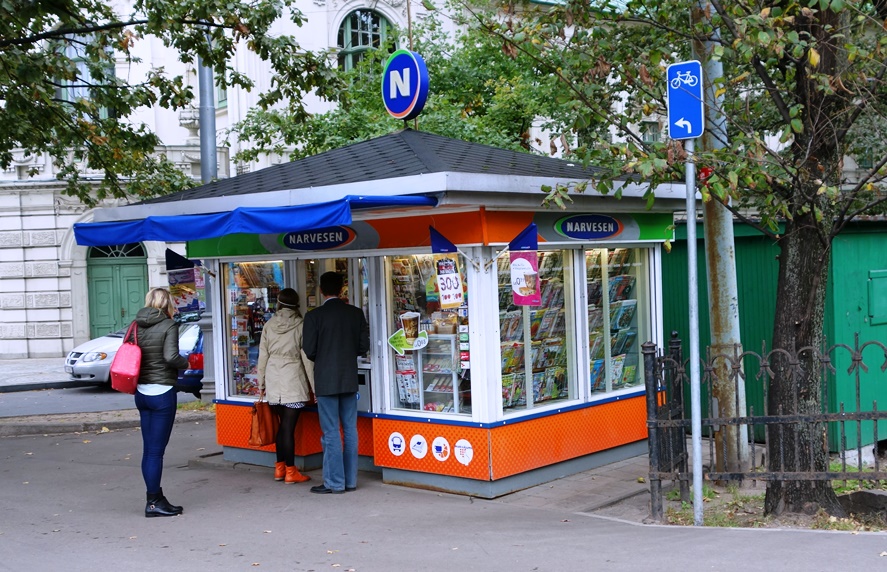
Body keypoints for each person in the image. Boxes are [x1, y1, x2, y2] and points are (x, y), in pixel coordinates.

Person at [302, 272, 370, 494]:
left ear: (321, 290)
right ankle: (350, 481)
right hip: (349, 378)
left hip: (326, 379)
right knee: (350, 430)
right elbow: (363, 346)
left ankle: (334, 483)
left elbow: (309, 350)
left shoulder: (314, 316)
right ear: (342, 289)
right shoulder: (355, 313)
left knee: (331, 432)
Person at [134, 287, 191, 517]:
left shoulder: (135, 325)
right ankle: (154, 502)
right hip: (162, 393)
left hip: (141, 392)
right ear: (168, 304)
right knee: (156, 452)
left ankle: (154, 498)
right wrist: (185, 363)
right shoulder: (169, 325)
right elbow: (170, 357)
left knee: (149, 450)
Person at [256, 288, 313, 484]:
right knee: (287, 429)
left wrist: (261, 383)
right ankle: (290, 471)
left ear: (279, 303)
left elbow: (262, 356)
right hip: (293, 379)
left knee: (282, 427)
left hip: (273, 379)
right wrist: (314, 387)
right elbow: (307, 359)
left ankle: (279, 469)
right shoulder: (301, 325)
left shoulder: (269, 325)